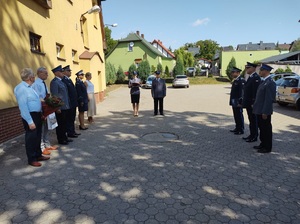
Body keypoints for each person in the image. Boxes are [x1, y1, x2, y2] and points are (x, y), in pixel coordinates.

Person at [14, 68, 50, 167]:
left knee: (38, 136)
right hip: (30, 116)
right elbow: (23, 106)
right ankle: (32, 159)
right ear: (30, 77)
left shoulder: (30, 87)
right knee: (31, 138)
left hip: (37, 115)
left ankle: (38, 155)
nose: (34, 77)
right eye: (33, 75)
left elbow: (34, 100)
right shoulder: (21, 88)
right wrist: (30, 121)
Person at [32, 67, 58, 155]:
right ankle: (42, 147)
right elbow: (37, 97)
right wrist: (45, 102)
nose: (47, 75)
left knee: (47, 126)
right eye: (45, 73)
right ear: (39, 73)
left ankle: (47, 144)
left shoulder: (44, 83)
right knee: (42, 128)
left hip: (47, 107)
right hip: (41, 108)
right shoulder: (36, 83)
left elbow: (47, 94)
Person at [253, 64, 276, 153]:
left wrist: (265, 112)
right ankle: (262, 144)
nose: (260, 72)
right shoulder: (264, 81)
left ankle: (267, 147)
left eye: (261, 70)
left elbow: (269, 99)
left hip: (264, 111)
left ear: (266, 71)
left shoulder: (270, 83)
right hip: (259, 110)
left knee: (266, 129)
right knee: (262, 128)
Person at [50, 65, 72, 145]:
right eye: (61, 72)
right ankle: (61, 139)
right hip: (60, 107)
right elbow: (55, 96)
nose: (63, 73)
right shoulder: (54, 82)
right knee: (60, 124)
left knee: (65, 123)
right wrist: (57, 107)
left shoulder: (61, 81)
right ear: (56, 73)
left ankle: (65, 137)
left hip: (65, 106)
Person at [242, 62, 261, 142]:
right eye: (246, 68)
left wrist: (253, 103)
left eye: (248, 68)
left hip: (252, 104)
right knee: (251, 120)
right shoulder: (250, 77)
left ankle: (254, 136)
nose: (247, 69)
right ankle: (251, 134)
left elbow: (255, 92)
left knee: (254, 120)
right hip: (248, 103)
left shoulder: (256, 78)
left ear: (253, 68)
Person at [62, 65, 81, 138]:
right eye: (69, 71)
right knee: (69, 118)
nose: (70, 72)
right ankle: (70, 132)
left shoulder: (69, 79)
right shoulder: (64, 80)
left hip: (73, 102)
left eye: (70, 71)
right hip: (69, 103)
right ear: (65, 72)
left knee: (72, 117)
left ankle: (72, 131)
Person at [229, 67, 245, 135]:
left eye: (233, 72)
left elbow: (241, 93)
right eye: (232, 72)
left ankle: (241, 129)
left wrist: (240, 102)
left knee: (239, 115)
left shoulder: (240, 80)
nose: (232, 74)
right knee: (236, 115)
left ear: (238, 73)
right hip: (234, 101)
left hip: (238, 101)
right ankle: (237, 127)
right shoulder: (236, 80)